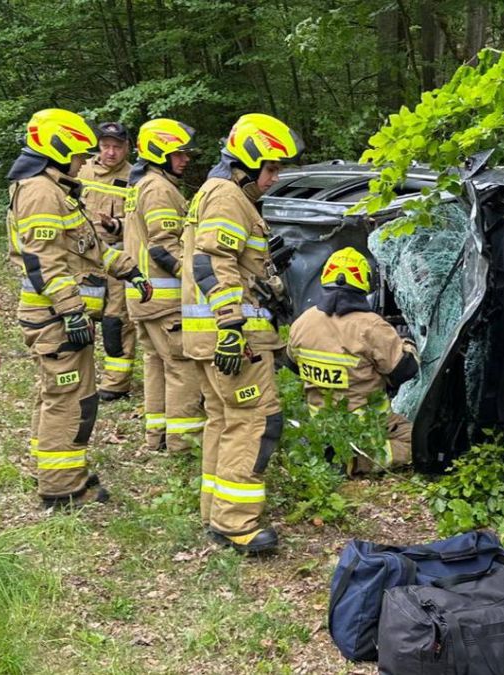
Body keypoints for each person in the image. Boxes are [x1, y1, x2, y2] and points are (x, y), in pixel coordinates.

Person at [7, 109, 153, 508]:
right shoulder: (41, 191)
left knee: (57, 393)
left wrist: (128, 269)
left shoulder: (57, 189)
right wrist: (71, 310)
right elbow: (44, 261)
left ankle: (50, 469)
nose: (82, 160)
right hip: (54, 318)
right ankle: (62, 489)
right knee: (69, 399)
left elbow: (87, 247)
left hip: (54, 315)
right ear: (57, 150)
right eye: (76, 153)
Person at [182, 113, 301, 554]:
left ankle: (217, 514)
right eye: (271, 168)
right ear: (247, 163)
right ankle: (236, 523)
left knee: (225, 421)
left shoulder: (220, 193)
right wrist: (232, 326)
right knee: (255, 422)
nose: (275, 177)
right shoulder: (228, 197)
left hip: (212, 336)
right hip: (233, 338)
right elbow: (213, 262)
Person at [287, 247, 418, 475]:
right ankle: (355, 462)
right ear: (364, 282)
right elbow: (404, 370)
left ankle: (322, 450)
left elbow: (293, 364)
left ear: (325, 277)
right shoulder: (371, 326)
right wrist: (407, 344)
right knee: (418, 441)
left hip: (321, 423)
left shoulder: (302, 323)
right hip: (366, 426)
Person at [124, 119, 205, 453]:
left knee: (155, 363)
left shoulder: (142, 185)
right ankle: (184, 444)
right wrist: (196, 278)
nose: (185, 159)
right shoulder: (159, 189)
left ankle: (156, 435)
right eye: (178, 153)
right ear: (159, 153)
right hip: (165, 299)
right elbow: (162, 245)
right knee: (182, 366)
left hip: (143, 297)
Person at [77, 122, 137, 401]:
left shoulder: (135, 177)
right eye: (105, 146)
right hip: (82, 259)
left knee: (116, 322)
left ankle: (115, 383)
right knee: (80, 316)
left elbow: (139, 220)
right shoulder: (81, 171)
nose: (111, 152)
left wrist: (117, 224)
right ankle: (80, 376)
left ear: (127, 147)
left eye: (117, 147)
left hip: (117, 259)